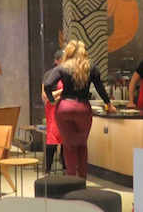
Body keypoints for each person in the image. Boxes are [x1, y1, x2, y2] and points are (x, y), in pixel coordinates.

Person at [43, 40, 116, 179]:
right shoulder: (91, 67)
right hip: (83, 108)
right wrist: (109, 105)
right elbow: (100, 87)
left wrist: (51, 100)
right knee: (82, 144)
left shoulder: (62, 67)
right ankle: (82, 178)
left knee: (69, 146)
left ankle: (71, 179)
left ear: (68, 52)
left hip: (65, 108)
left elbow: (47, 85)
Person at [42, 49, 66, 174]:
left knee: (65, 139)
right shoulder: (49, 74)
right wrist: (62, 91)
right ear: (57, 61)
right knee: (52, 138)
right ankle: (47, 169)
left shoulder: (68, 74)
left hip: (65, 109)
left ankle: (66, 169)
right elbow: (44, 96)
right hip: (53, 110)